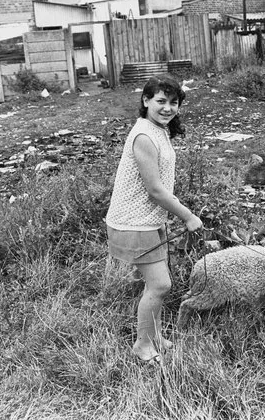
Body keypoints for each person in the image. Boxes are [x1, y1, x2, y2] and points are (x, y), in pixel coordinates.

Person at [105, 74, 203, 363]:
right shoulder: (144, 135)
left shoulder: (157, 128)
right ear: (146, 101)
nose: (167, 108)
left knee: (155, 285)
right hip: (133, 221)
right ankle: (142, 346)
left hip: (149, 219)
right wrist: (188, 216)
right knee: (161, 285)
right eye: (160, 101)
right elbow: (155, 190)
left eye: (173, 103)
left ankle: (154, 335)